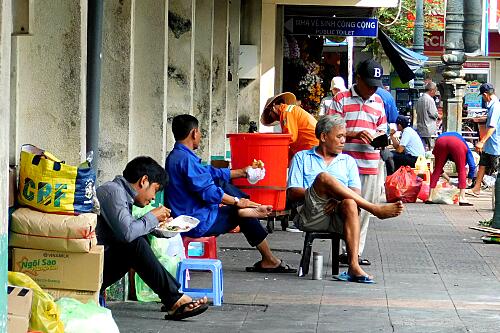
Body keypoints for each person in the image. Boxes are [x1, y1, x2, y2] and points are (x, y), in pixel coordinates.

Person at [165, 114, 297, 273]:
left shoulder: (177, 156)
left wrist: (242, 172)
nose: (200, 135)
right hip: (195, 221)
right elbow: (208, 192)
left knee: (224, 186)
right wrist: (236, 201)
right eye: (199, 132)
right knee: (242, 213)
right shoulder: (186, 160)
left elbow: (210, 172)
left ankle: (250, 206)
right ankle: (269, 258)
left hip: (188, 214)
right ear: (194, 133)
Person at [287, 115, 404, 283]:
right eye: (339, 136)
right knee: (323, 178)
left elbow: (354, 192)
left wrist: (337, 198)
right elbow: (292, 192)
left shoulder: (348, 161)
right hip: (311, 213)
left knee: (350, 201)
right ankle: (374, 209)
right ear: (323, 137)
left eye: (344, 137)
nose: (343, 141)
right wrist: (324, 191)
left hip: (338, 214)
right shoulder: (302, 157)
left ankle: (354, 266)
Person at [96, 156, 208, 320]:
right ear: (144, 181)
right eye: (155, 190)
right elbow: (128, 234)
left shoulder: (121, 195)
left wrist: (158, 226)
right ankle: (174, 299)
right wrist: (152, 216)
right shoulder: (113, 191)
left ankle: (173, 298)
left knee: (138, 241)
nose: (154, 198)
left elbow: (128, 229)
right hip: (90, 268)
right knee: (135, 243)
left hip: (98, 265)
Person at [326, 58, 387, 266]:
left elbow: (382, 127)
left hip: (370, 162)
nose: (372, 89)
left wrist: (380, 136)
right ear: (358, 78)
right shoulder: (341, 99)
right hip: (344, 164)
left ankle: (355, 252)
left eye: (375, 86)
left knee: (365, 210)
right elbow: (330, 129)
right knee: (347, 207)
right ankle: (345, 250)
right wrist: (354, 133)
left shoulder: (378, 102)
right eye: (369, 84)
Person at [260, 92, 319, 161]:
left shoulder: (287, 112)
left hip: (310, 147)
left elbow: (290, 137)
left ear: (273, 108)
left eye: (270, 116)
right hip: (311, 146)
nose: (273, 119)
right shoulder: (289, 110)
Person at [467, 83, 500, 197]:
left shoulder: (495, 106)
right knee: (482, 164)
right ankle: (476, 188)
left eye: (482, 96)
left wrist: (482, 141)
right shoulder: (491, 105)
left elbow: (492, 127)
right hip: (489, 145)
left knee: (496, 169)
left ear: (486, 95)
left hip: (495, 144)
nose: (482, 98)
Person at [426, 132, 476, 206]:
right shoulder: (466, 148)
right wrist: (469, 181)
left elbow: (438, 170)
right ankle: (462, 198)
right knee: (461, 169)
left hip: (440, 141)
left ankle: (429, 197)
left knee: (437, 168)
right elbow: (472, 166)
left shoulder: (445, 144)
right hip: (456, 143)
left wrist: (449, 179)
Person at [416, 81, 439, 150]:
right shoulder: (430, 100)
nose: (435, 93)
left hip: (420, 128)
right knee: (431, 149)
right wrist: (438, 115)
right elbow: (434, 114)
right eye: (435, 91)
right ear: (431, 90)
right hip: (429, 129)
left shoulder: (419, 99)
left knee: (422, 149)